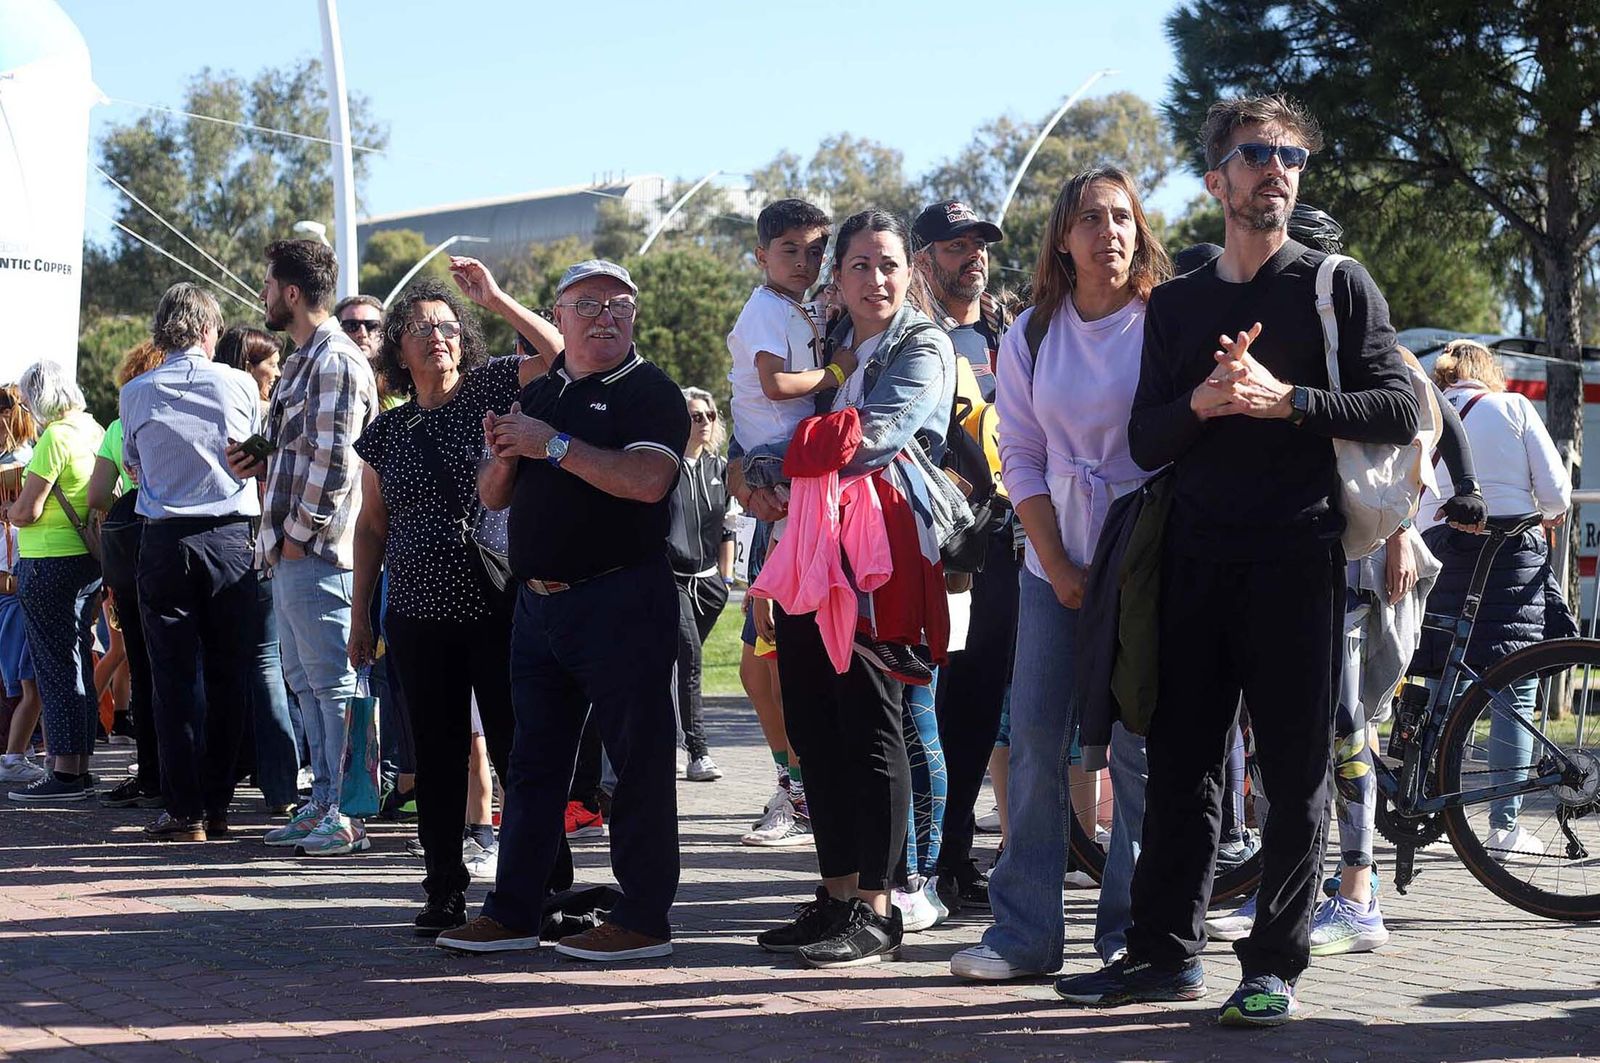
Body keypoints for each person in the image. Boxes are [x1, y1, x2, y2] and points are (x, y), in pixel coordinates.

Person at [1052, 95, 1419, 1027]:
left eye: (1291, 157)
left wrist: (1287, 399)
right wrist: (1206, 404)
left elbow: (1399, 409)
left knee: (1294, 775)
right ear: (1217, 179)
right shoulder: (1178, 304)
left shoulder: (1336, 284)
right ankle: (1165, 955)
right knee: (1181, 766)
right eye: (1257, 153)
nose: (1277, 170)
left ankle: (1273, 967)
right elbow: (1144, 437)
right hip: (1194, 559)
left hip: (1299, 558)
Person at [948, 167, 1171, 981]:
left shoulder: (1164, 321)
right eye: (1089, 218)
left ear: (1139, 231)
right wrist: (1057, 564)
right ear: (1062, 237)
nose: (1108, 231)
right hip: (1054, 566)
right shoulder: (1032, 333)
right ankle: (1025, 934)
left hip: (1145, 570)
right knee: (1037, 743)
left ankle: (1130, 933)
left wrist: (1105, 571)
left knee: (1140, 754)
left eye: (1121, 217)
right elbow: (1025, 458)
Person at [436, 258, 688, 962]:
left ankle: (642, 917)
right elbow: (492, 496)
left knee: (636, 762)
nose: (605, 314)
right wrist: (508, 453)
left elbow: (646, 480)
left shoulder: (650, 391)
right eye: (588, 303)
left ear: (633, 317)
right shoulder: (539, 392)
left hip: (621, 598)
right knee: (533, 765)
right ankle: (514, 910)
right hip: (538, 606)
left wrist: (553, 446)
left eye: (618, 303)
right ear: (562, 313)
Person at [752, 209, 956, 968]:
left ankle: (879, 905)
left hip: (878, 558)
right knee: (814, 725)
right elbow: (800, 436)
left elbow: (869, 438)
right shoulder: (833, 353)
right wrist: (763, 466)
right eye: (861, 265)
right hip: (811, 554)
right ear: (836, 280)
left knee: (873, 727)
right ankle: (836, 895)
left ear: (911, 273)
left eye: (891, 264)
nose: (878, 278)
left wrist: (768, 465)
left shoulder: (923, 345)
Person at [349, 278, 534, 934]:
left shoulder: (486, 390)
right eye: (423, 327)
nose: (439, 337)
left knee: (516, 744)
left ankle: (542, 876)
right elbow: (370, 526)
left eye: (449, 326)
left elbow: (557, 351)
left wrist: (494, 300)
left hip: (493, 602)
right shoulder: (387, 432)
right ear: (399, 346)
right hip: (418, 615)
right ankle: (444, 889)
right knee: (437, 751)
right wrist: (361, 613)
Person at [226, 238, 380, 856]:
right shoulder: (301, 360)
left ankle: (347, 815)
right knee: (310, 684)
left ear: (291, 292)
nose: (261, 296)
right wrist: (254, 454)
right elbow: (292, 440)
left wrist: (295, 537)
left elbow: (337, 461)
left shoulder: (336, 360)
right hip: (293, 551)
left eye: (267, 285)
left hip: (320, 551)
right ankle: (322, 804)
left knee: (336, 685)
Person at [1413, 339, 1574, 858]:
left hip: (1439, 554)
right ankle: (1503, 827)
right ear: (1489, 372)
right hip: (1509, 558)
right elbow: (1556, 494)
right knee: (1513, 688)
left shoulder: (1426, 408)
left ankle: (1434, 808)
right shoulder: (1513, 407)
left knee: (1442, 684)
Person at [116, 284, 263, 840]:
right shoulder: (241, 383)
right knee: (230, 675)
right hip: (229, 538)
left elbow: (133, 463)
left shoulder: (136, 393)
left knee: (172, 679)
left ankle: (186, 811)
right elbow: (256, 450)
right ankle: (218, 803)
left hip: (164, 539)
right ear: (210, 330)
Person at [909, 198, 1019, 912]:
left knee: (979, 702)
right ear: (924, 257)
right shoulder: (906, 336)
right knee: (925, 699)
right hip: (925, 544)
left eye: (978, 243)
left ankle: (954, 855)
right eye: (954, 245)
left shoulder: (1010, 331)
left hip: (1001, 541)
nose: (971, 255)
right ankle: (911, 859)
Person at [725, 199, 834, 842]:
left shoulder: (810, 308)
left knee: (775, 655)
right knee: (762, 655)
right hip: (773, 472)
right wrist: (841, 370)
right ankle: (796, 788)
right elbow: (773, 386)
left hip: (801, 479)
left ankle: (801, 789)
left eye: (815, 250)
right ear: (761, 255)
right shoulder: (766, 308)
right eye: (789, 249)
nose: (804, 261)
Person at [4, 362, 105, 802]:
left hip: (48, 560)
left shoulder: (54, 437)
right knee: (79, 660)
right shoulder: (92, 429)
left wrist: (9, 511)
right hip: (87, 558)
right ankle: (78, 766)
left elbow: (27, 510)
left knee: (55, 667)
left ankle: (64, 772)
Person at [211, 326, 300, 814]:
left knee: (236, 668)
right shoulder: (263, 417)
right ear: (249, 366)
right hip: (254, 544)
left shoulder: (258, 414)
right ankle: (282, 790)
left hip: (239, 545)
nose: (279, 371)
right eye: (271, 363)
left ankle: (219, 790)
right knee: (265, 668)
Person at [89, 341, 166, 808]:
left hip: (134, 544)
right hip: (196, 540)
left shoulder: (121, 424)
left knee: (141, 659)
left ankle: (152, 770)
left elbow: (98, 493)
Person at [666, 386, 735, 782]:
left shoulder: (720, 469)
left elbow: (728, 529)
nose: (706, 423)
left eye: (710, 416)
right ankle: (697, 751)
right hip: (670, 580)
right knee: (688, 659)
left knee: (672, 666)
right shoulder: (666, 465)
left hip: (709, 585)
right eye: (696, 417)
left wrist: (725, 581)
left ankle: (670, 737)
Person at [0, 387, 41, 788]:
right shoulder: (26, 460)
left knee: (19, 675)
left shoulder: (24, 459)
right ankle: (16, 753)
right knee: (23, 676)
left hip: (15, 577)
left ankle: (19, 749)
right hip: (16, 579)